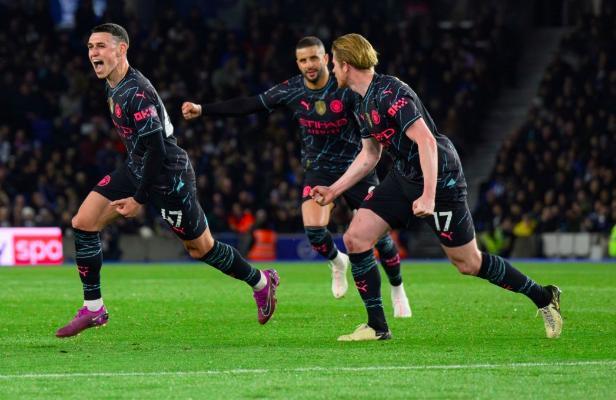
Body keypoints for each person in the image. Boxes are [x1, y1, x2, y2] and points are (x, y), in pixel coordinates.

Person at [311, 33, 562, 341]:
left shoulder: (391, 92)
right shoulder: (360, 101)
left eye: (334, 64)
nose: (331, 69)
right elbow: (370, 155)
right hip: (404, 175)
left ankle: (543, 296)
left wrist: (429, 195)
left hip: (441, 179)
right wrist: (334, 191)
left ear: (346, 65)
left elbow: (427, 142)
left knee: (468, 263)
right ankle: (377, 327)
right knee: (356, 238)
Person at [56, 23, 279, 338]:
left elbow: (158, 150)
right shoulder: (112, 84)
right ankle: (94, 308)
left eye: (101, 46)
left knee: (201, 249)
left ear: (121, 49)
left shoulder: (136, 92)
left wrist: (139, 198)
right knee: (83, 222)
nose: (94, 52)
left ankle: (261, 281)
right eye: (91, 47)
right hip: (138, 165)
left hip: (168, 176)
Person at [182, 36, 411, 317]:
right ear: (298, 63)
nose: (309, 65)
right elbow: (251, 104)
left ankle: (397, 288)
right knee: (314, 232)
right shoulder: (292, 90)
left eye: (314, 58)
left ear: (326, 58)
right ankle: (337, 261)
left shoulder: (345, 87)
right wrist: (203, 109)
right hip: (319, 169)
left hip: (356, 169)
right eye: (303, 60)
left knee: (381, 238)